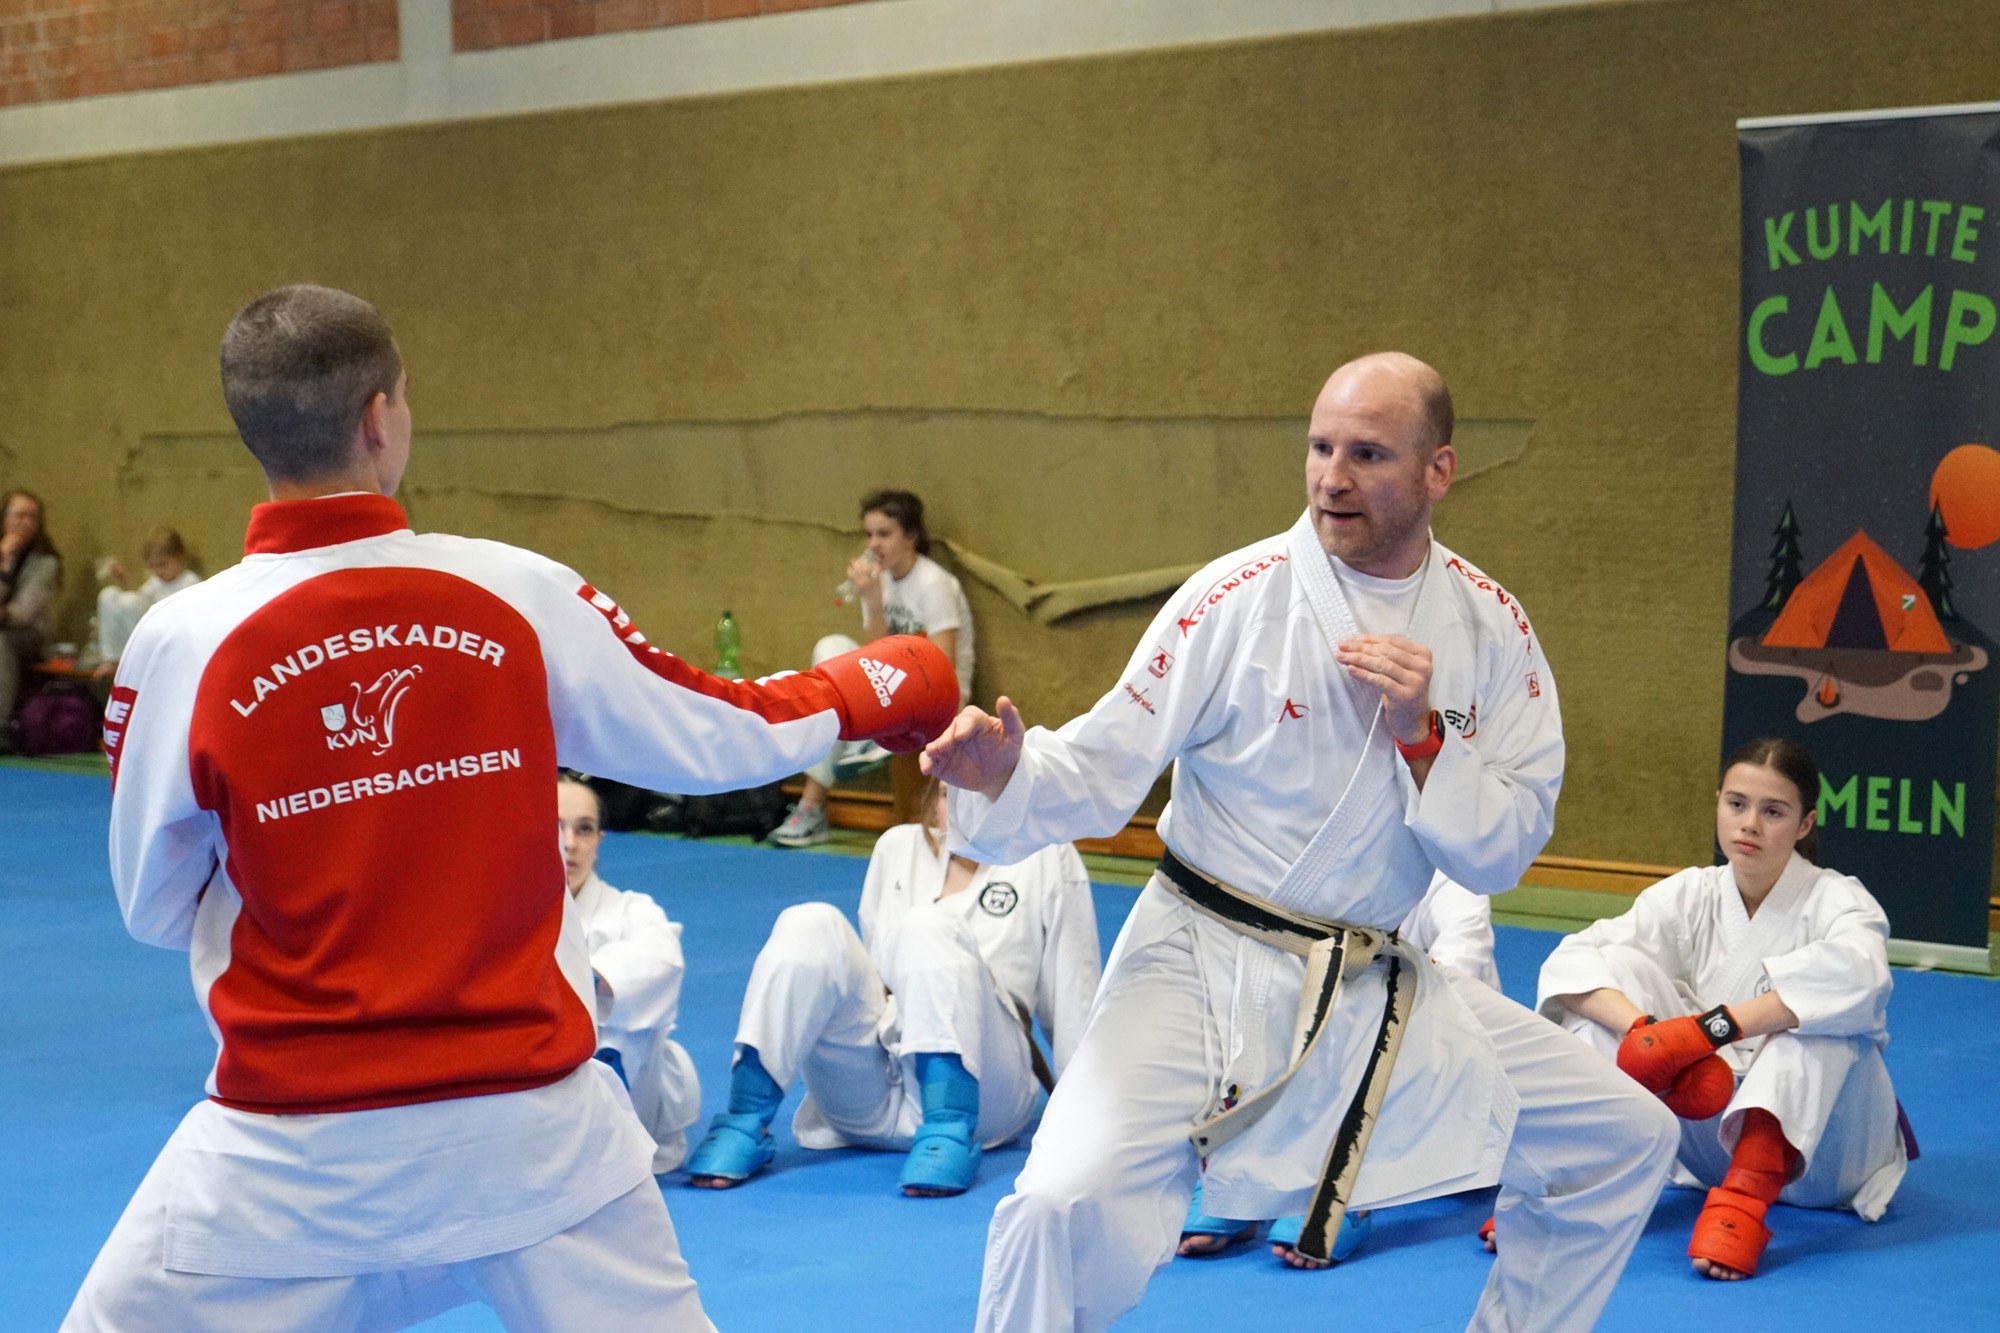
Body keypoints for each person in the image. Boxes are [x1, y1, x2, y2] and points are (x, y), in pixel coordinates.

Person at [67, 284, 958, 1332]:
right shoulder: (514, 590)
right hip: (535, 1133)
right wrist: (879, 682)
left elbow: (153, 907)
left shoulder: (178, 641)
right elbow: (716, 731)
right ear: (379, 419)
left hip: (291, 1152)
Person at [923, 351, 1678, 1332]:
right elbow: (1102, 763)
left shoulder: (1490, 627)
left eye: (1367, 453)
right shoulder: (1232, 597)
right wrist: (1004, 773)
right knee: (1058, 1197)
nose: (1331, 476)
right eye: (1320, 447)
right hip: (1195, 965)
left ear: (1438, 471)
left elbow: (1501, 851)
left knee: (1622, 1136)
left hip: (1369, 987)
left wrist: (1424, 740)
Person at [1535, 737, 1908, 1282]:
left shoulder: (1839, 901)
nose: (1749, 824)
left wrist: (1707, 1031)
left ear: (1805, 824)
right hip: (1708, 1142)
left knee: (1821, 1019)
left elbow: (1862, 977)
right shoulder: (1689, 894)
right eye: (1736, 804)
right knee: (1615, 965)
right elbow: (1573, 962)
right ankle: (1575, 1182)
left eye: (1773, 811)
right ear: (1718, 805)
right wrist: (1647, 1036)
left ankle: (1741, 1208)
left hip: (1827, 1158)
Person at [687, 775, 1100, 1196]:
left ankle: (948, 1128)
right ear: (932, 800)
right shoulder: (896, 848)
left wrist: (1088, 1124)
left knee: (928, 925)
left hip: (987, 1097)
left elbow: (1074, 999)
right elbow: (868, 981)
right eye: (949, 795)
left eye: (981, 795)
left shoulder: (1048, 857)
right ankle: (744, 1118)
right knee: (808, 923)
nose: (964, 810)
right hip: (871, 1095)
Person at [1176, 871, 1502, 1268]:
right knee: (1271, 1002)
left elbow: (1458, 971)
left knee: (1368, 1020)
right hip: (1330, 1058)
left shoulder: (1453, 879)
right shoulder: (1327, 867)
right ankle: (1241, 1178)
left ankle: (1346, 1187)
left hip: (1438, 1067)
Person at [772, 489, 975, 847]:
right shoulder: (878, 582)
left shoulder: (934, 584)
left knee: (845, 697)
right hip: (892, 689)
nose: (873, 544)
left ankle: (819, 795)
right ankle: (854, 749)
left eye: (884, 534)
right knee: (831, 648)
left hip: (937, 696)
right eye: (869, 534)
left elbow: (942, 666)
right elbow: (872, 657)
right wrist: (873, 601)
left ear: (911, 535)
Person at [559, 772, 702, 1173]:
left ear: (599, 841)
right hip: (537, 1104)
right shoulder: (502, 916)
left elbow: (663, 959)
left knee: (623, 1018)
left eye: (584, 829)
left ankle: (608, 1137)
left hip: (635, 1101)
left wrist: (583, 982)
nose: (569, 844)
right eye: (555, 827)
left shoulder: (632, 910)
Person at [1, 487, 62, 749]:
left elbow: (21, 614)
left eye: (33, 517)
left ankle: (1, 727)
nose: (26, 522)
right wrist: (4, 560)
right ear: (4, 517)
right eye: (20, 515)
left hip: (29, 635)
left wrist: (5, 566)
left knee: (0, 642)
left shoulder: (46, 562)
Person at [94, 526, 202, 667]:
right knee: (108, 594)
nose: (158, 571)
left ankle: (141, 656)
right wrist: (124, 579)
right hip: (148, 634)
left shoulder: (190, 582)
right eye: (152, 566)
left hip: (169, 638)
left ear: (181, 558)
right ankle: (112, 658)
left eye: (162, 564)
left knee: (131, 602)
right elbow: (137, 603)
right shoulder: (155, 582)